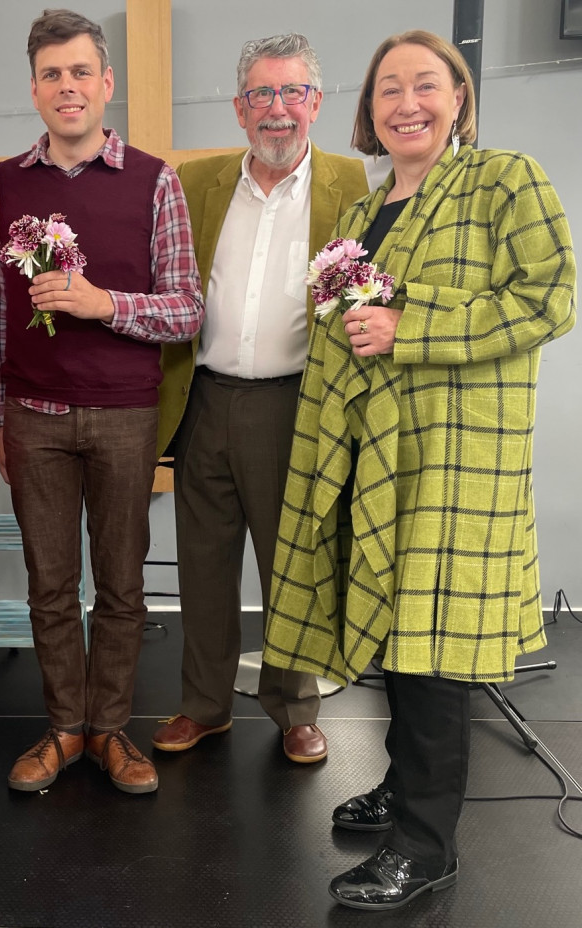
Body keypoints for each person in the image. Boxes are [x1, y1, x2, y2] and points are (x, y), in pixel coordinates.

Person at [262, 29, 575, 910]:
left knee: (434, 655)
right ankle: (405, 787)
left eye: (426, 85)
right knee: (397, 641)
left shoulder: (503, 180)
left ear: (460, 98)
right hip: (370, 451)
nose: (407, 102)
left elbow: (551, 297)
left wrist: (414, 325)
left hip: (454, 457)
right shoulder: (362, 218)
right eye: (389, 88)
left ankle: (426, 846)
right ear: (368, 112)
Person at [0, 8, 203, 795]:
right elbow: (0, 311)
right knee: (49, 584)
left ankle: (111, 730)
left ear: (106, 84)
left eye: (81, 72)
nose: (67, 86)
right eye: (52, 74)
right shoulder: (8, 181)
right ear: (36, 89)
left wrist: (101, 303)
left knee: (121, 584)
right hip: (35, 419)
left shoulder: (154, 179)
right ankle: (65, 729)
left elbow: (186, 309)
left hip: (123, 415)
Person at [153, 34, 368, 764]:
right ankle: (204, 706)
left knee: (293, 567)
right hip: (204, 398)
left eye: (292, 93)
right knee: (203, 568)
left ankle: (295, 709)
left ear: (315, 103)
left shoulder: (351, 184)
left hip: (295, 405)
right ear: (240, 109)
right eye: (262, 95)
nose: (278, 110)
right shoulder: (198, 181)